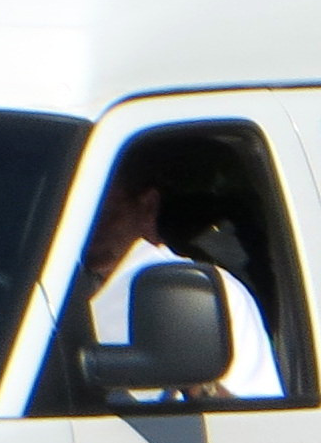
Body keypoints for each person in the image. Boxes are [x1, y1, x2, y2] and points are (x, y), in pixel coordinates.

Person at [80, 157, 284, 401]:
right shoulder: (45, 292)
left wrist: (198, 385)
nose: (86, 225)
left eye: (102, 211)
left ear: (148, 206)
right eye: (75, 212)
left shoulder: (203, 292)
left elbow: (255, 426)